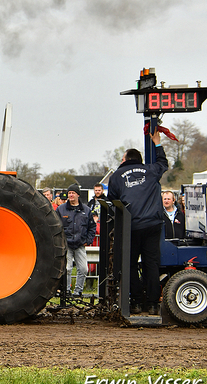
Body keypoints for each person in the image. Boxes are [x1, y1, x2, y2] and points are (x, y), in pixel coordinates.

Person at [107, 130, 168, 315]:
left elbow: (112, 200)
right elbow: (163, 164)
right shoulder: (150, 170)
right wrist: (157, 143)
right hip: (152, 225)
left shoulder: (117, 175)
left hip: (130, 226)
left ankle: (136, 301)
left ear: (125, 159)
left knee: (131, 264)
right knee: (151, 264)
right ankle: (152, 304)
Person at [56, 184, 96, 297]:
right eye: (69, 193)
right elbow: (56, 226)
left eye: (73, 193)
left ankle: (78, 292)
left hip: (80, 244)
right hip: (66, 244)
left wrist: (88, 240)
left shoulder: (86, 210)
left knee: (83, 269)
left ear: (78, 194)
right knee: (67, 269)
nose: (71, 195)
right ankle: (67, 291)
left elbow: (92, 227)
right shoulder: (61, 209)